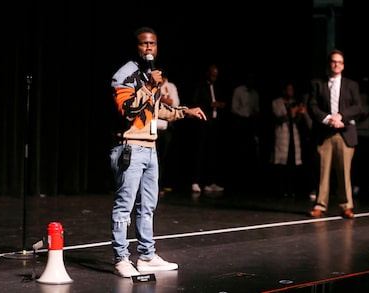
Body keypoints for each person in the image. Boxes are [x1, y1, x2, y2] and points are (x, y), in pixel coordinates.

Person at [109, 26, 207, 278]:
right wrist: (149, 87)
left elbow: (154, 110)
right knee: (124, 205)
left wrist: (185, 111)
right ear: (136, 47)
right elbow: (129, 111)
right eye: (144, 44)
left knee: (148, 205)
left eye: (152, 43)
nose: (149, 48)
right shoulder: (125, 75)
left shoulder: (150, 75)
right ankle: (121, 257)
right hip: (130, 147)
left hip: (150, 148)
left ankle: (146, 255)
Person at [307, 48, 362, 219]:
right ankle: (320, 205)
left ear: (343, 66)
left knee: (344, 172)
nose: (336, 64)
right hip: (324, 133)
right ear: (329, 64)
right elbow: (312, 106)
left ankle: (346, 206)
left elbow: (357, 107)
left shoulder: (352, 85)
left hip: (345, 133)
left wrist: (341, 117)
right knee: (323, 171)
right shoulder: (317, 83)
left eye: (339, 62)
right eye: (333, 61)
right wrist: (328, 118)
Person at [190, 63, 227, 193]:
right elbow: (195, 102)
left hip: (215, 124)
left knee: (213, 153)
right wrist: (210, 104)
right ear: (208, 74)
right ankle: (196, 181)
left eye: (216, 76)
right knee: (199, 153)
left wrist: (221, 104)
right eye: (212, 75)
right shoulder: (200, 86)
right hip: (203, 123)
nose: (214, 78)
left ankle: (210, 182)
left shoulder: (218, 86)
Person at [271, 81, 311, 197]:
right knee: (281, 164)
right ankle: (280, 190)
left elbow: (298, 122)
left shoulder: (295, 103)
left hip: (293, 136)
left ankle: (292, 189)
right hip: (282, 135)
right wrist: (291, 112)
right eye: (289, 90)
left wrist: (300, 114)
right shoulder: (276, 102)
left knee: (293, 163)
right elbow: (279, 118)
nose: (291, 92)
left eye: (292, 90)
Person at [228, 71, 261, 191]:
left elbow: (256, 109)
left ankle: (248, 182)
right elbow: (234, 108)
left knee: (250, 153)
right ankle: (236, 181)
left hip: (250, 124)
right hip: (240, 123)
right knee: (238, 151)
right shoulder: (239, 91)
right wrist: (244, 116)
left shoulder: (255, 93)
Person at [156, 74, 180, 196]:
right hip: (152, 128)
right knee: (152, 159)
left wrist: (163, 99)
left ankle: (159, 186)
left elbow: (175, 103)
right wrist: (165, 100)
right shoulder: (152, 85)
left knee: (162, 159)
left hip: (165, 128)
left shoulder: (170, 87)